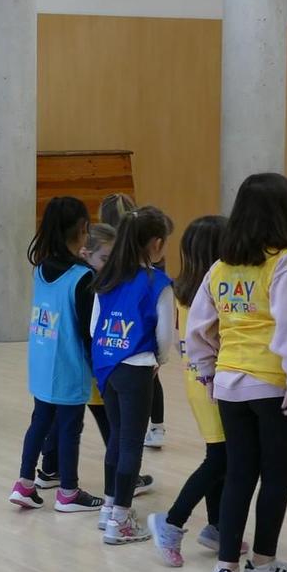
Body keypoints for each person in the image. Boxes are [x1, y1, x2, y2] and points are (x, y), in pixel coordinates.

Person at [188, 174, 287, 572]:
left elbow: (198, 326)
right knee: (276, 475)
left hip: (228, 385)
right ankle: (262, 563)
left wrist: (208, 371)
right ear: (286, 215)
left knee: (240, 473)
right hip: (274, 386)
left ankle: (226, 568)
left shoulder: (221, 266)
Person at [33, 222, 154, 499]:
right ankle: (124, 479)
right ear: (86, 253)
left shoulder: (83, 278)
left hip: (78, 366)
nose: (110, 265)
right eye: (104, 259)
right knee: (112, 425)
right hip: (93, 367)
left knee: (59, 419)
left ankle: (50, 469)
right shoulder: (89, 282)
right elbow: (90, 332)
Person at [11, 197, 103, 511]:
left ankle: (24, 484)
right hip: (69, 365)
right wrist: (100, 369)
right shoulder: (83, 276)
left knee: (39, 422)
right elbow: (89, 332)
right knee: (69, 429)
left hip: (40, 361)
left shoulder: (40, 268)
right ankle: (68, 492)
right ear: (82, 229)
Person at [91, 205, 174, 543]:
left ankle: (109, 507)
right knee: (131, 444)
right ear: (155, 243)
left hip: (106, 366)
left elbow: (94, 326)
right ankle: (121, 521)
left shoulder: (107, 278)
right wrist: (160, 360)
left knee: (116, 438)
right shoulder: (158, 282)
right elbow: (166, 335)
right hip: (137, 367)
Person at [149, 215, 228, 565]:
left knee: (219, 455)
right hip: (210, 384)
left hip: (197, 382)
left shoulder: (184, 286)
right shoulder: (210, 293)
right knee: (219, 458)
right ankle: (171, 522)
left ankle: (217, 527)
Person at [97, 192, 166, 449]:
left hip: (124, 341)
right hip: (133, 340)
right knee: (149, 379)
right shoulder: (130, 254)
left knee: (124, 438)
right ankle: (156, 426)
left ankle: (153, 428)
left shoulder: (130, 259)